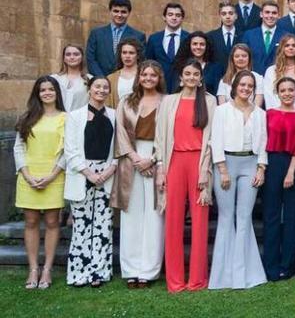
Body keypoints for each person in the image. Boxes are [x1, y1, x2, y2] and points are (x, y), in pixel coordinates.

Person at [155, 59, 217, 293]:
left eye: (195, 74)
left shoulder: (209, 102)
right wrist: (161, 168)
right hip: (174, 162)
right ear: (181, 77)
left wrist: (205, 169)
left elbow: (212, 137)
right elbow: (160, 137)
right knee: (173, 221)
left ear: (201, 78)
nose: (191, 77)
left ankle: (197, 280)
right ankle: (175, 280)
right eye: (187, 74)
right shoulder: (169, 101)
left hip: (199, 163)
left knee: (200, 222)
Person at [208, 71, 268, 290]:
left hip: (250, 164)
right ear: (234, 87)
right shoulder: (222, 111)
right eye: (242, 84)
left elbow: (263, 142)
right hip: (226, 165)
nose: (246, 88)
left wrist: (261, 168)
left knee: (244, 218)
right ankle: (223, 277)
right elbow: (216, 140)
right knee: (226, 217)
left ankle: (244, 275)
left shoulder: (260, 113)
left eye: (250, 85)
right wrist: (222, 170)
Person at [111, 61, 165, 288]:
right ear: (139, 77)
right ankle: (131, 269)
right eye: (145, 75)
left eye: (153, 75)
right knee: (131, 215)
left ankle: (149, 271)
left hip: (156, 157)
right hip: (131, 159)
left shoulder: (167, 102)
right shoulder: (126, 101)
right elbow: (121, 131)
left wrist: (151, 159)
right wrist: (135, 159)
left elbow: (168, 134)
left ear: (159, 78)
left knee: (154, 217)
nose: (149, 78)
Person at [63, 76, 117, 287]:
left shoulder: (114, 115)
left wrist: (109, 170)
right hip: (82, 174)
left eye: (105, 87)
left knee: (103, 225)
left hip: (107, 173)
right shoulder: (75, 116)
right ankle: (78, 272)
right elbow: (71, 150)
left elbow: (119, 147)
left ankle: (99, 273)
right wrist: (89, 173)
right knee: (82, 226)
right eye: (97, 86)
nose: (101, 90)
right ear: (89, 89)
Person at [13, 76, 66, 289]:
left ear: (56, 93)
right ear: (37, 93)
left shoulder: (65, 118)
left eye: (51, 89)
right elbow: (18, 148)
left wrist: (52, 175)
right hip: (29, 176)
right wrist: (26, 174)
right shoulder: (27, 117)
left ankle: (47, 270)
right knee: (31, 222)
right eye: (43, 89)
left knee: (53, 222)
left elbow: (67, 150)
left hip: (54, 176)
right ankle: (33, 268)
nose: (47, 93)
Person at [261, 77, 295, 281]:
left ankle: (287, 265)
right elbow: (263, 141)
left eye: (291, 90)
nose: (287, 93)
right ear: (277, 92)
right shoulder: (268, 114)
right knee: (271, 216)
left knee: (291, 217)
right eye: (283, 90)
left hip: (292, 165)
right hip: (272, 163)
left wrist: (291, 172)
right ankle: (270, 265)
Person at [86, 0, 145, 77]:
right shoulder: (96, 33)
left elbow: (140, 61)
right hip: (101, 83)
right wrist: (103, 79)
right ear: (110, 11)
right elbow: (91, 59)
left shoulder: (138, 36)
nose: (119, 15)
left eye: (123, 12)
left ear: (129, 13)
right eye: (116, 11)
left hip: (126, 81)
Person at [263, 34, 295, 111]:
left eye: (294, 45)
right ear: (281, 48)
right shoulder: (271, 71)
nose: (291, 48)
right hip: (277, 116)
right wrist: (280, 113)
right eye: (287, 45)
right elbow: (269, 97)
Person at [145, 3, 189, 81]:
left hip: (182, 85)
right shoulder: (154, 39)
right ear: (164, 17)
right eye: (170, 14)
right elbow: (148, 62)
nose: (174, 18)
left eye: (178, 15)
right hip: (159, 84)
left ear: (182, 18)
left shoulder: (189, 38)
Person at [241, 0, 282, 75]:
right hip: (253, 79)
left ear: (279, 15)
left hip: (277, 79)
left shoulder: (285, 36)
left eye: (274, 13)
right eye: (267, 12)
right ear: (261, 14)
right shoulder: (249, 35)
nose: (270, 16)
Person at [106, 38, 144, 109]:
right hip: (117, 117)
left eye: (131, 53)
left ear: (138, 55)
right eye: (124, 52)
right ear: (120, 55)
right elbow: (107, 104)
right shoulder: (111, 78)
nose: (127, 56)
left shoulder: (145, 76)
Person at [51, 44, 91, 112]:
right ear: (64, 58)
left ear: (82, 57)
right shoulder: (54, 79)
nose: (72, 57)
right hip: (57, 120)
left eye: (76, 54)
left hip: (80, 119)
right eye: (68, 54)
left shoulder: (90, 79)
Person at [206, 0, 241, 73]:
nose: (227, 16)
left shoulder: (243, 36)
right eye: (224, 14)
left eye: (231, 13)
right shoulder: (210, 36)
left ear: (236, 16)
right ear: (220, 16)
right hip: (216, 78)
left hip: (238, 77)